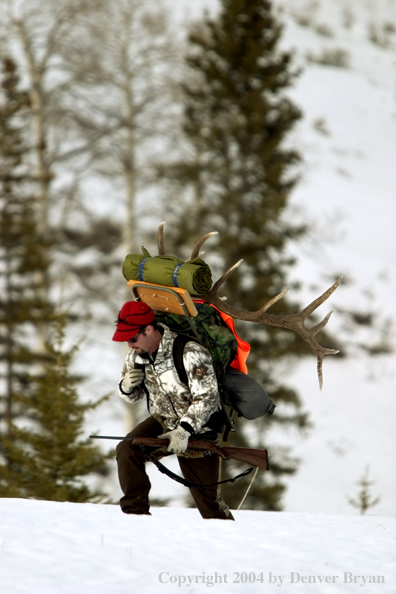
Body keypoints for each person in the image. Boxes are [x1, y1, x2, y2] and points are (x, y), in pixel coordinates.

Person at [112, 300, 235, 520]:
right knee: (127, 449)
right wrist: (126, 387)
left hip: (198, 429)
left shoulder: (190, 352)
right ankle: (134, 516)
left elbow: (208, 398)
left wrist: (184, 430)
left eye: (132, 338)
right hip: (162, 421)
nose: (130, 344)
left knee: (211, 509)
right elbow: (134, 397)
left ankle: (226, 542)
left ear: (148, 329)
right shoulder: (135, 356)